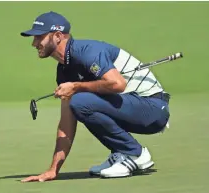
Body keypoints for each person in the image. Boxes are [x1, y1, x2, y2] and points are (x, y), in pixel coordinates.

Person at [20, 11, 170, 182]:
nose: (34, 43)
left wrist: (76, 86)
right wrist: (53, 170)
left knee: (80, 101)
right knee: (78, 104)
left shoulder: (86, 52)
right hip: (133, 109)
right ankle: (121, 151)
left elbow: (118, 84)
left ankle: (134, 153)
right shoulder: (64, 70)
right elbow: (66, 123)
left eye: (39, 37)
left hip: (154, 109)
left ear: (58, 36)